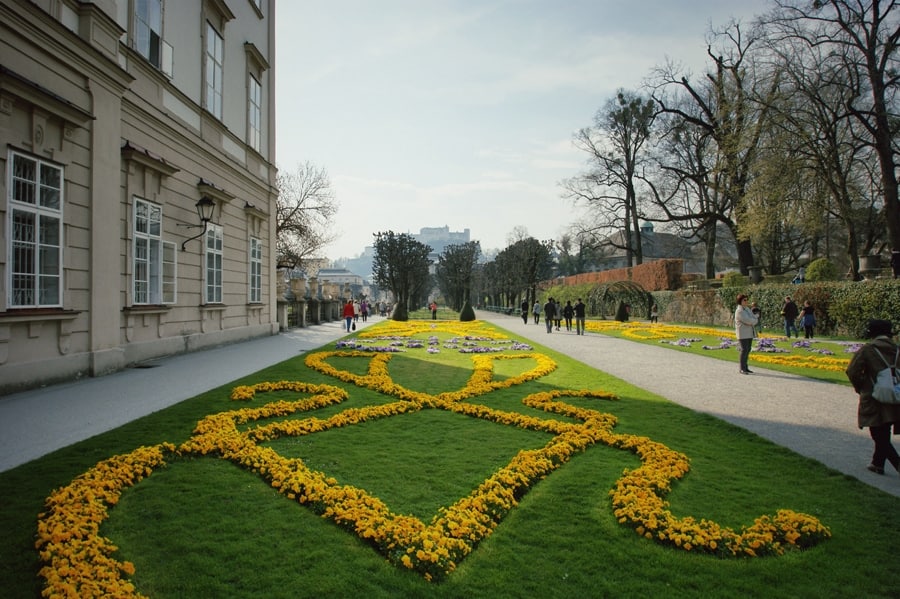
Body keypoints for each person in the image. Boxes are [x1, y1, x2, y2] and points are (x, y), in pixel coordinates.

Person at [845, 319, 900, 475]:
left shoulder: (868, 350)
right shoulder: (897, 350)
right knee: (884, 429)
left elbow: (852, 371)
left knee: (877, 433)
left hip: (873, 396)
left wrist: (862, 386)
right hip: (895, 396)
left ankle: (897, 462)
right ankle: (878, 464)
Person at [734, 293, 758, 375]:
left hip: (749, 333)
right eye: (744, 300)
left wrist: (753, 321)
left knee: (748, 350)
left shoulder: (747, 309)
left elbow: (754, 318)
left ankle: (745, 367)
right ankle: (742, 368)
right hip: (742, 334)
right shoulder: (739, 311)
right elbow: (748, 321)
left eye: (747, 299)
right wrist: (753, 321)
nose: (746, 301)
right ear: (740, 301)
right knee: (744, 350)